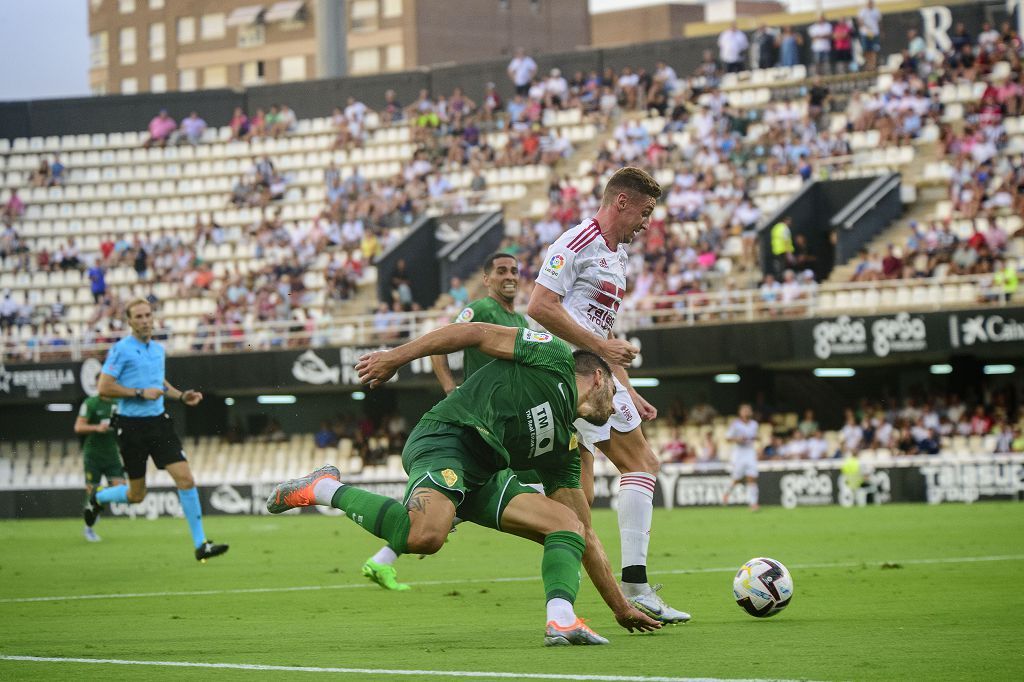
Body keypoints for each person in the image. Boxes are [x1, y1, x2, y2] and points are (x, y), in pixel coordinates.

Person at [269, 322, 661, 645]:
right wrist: (396, 357)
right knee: (425, 538)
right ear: (598, 378)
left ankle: (560, 619)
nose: (614, 409)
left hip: (486, 473)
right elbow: (474, 333)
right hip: (447, 437)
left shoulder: (563, 446)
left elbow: (587, 535)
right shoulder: (553, 356)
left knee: (569, 526)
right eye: (615, 394)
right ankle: (322, 488)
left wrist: (620, 608)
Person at [527, 166, 690, 624]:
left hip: (596, 375)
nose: (647, 222)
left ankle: (568, 608)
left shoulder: (615, 255)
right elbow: (539, 306)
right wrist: (601, 352)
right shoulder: (575, 243)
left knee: (579, 503)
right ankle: (634, 588)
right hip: (572, 374)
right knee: (638, 465)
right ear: (622, 202)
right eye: (645, 211)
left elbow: (600, 329)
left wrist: (627, 387)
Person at [362, 252, 526, 590]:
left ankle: (385, 557)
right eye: (501, 270)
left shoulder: (522, 323)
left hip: (506, 425)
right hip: (476, 422)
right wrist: (450, 386)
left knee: (469, 496)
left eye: (514, 270)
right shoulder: (481, 310)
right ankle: (571, 551)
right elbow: (440, 342)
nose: (509, 275)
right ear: (486, 279)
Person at [89, 299, 228, 562]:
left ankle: (201, 545)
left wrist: (181, 395)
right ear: (129, 321)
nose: (144, 320)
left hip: (159, 424)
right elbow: (104, 387)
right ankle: (99, 497)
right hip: (130, 427)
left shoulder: (158, 350)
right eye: (138, 316)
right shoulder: (121, 350)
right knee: (136, 495)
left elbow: (158, 383)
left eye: (148, 315)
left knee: (186, 479)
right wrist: (139, 393)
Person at [75, 394, 125, 542]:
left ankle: (100, 498)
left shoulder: (118, 402)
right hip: (93, 456)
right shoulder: (91, 403)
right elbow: (78, 427)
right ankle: (89, 528)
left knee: (122, 489)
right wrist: (97, 427)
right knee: (91, 491)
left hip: (112, 455)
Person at [722, 404, 760, 510]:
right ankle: (727, 492)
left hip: (750, 453)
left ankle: (753, 503)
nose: (747, 412)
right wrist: (737, 439)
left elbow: (756, 436)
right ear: (740, 412)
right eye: (744, 410)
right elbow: (727, 438)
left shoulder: (754, 424)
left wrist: (756, 438)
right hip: (739, 453)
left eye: (748, 410)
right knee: (737, 478)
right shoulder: (735, 424)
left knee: (752, 477)